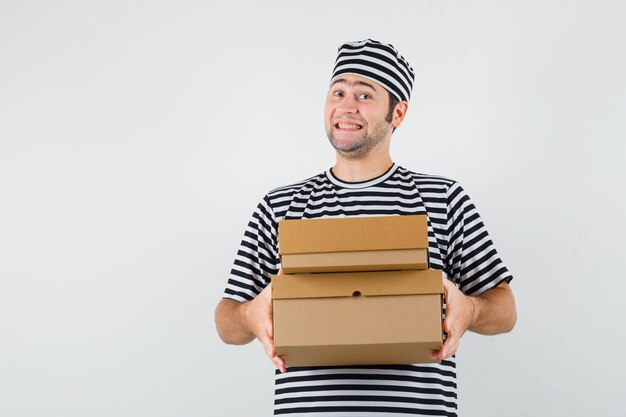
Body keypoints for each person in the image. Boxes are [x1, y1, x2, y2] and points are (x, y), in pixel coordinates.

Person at [215, 39, 517, 416]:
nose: (346, 105)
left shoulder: (443, 199)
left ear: (399, 113)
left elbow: (505, 310)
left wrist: (470, 309)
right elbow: (226, 319)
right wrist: (249, 316)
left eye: (365, 95)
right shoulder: (280, 206)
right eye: (338, 92)